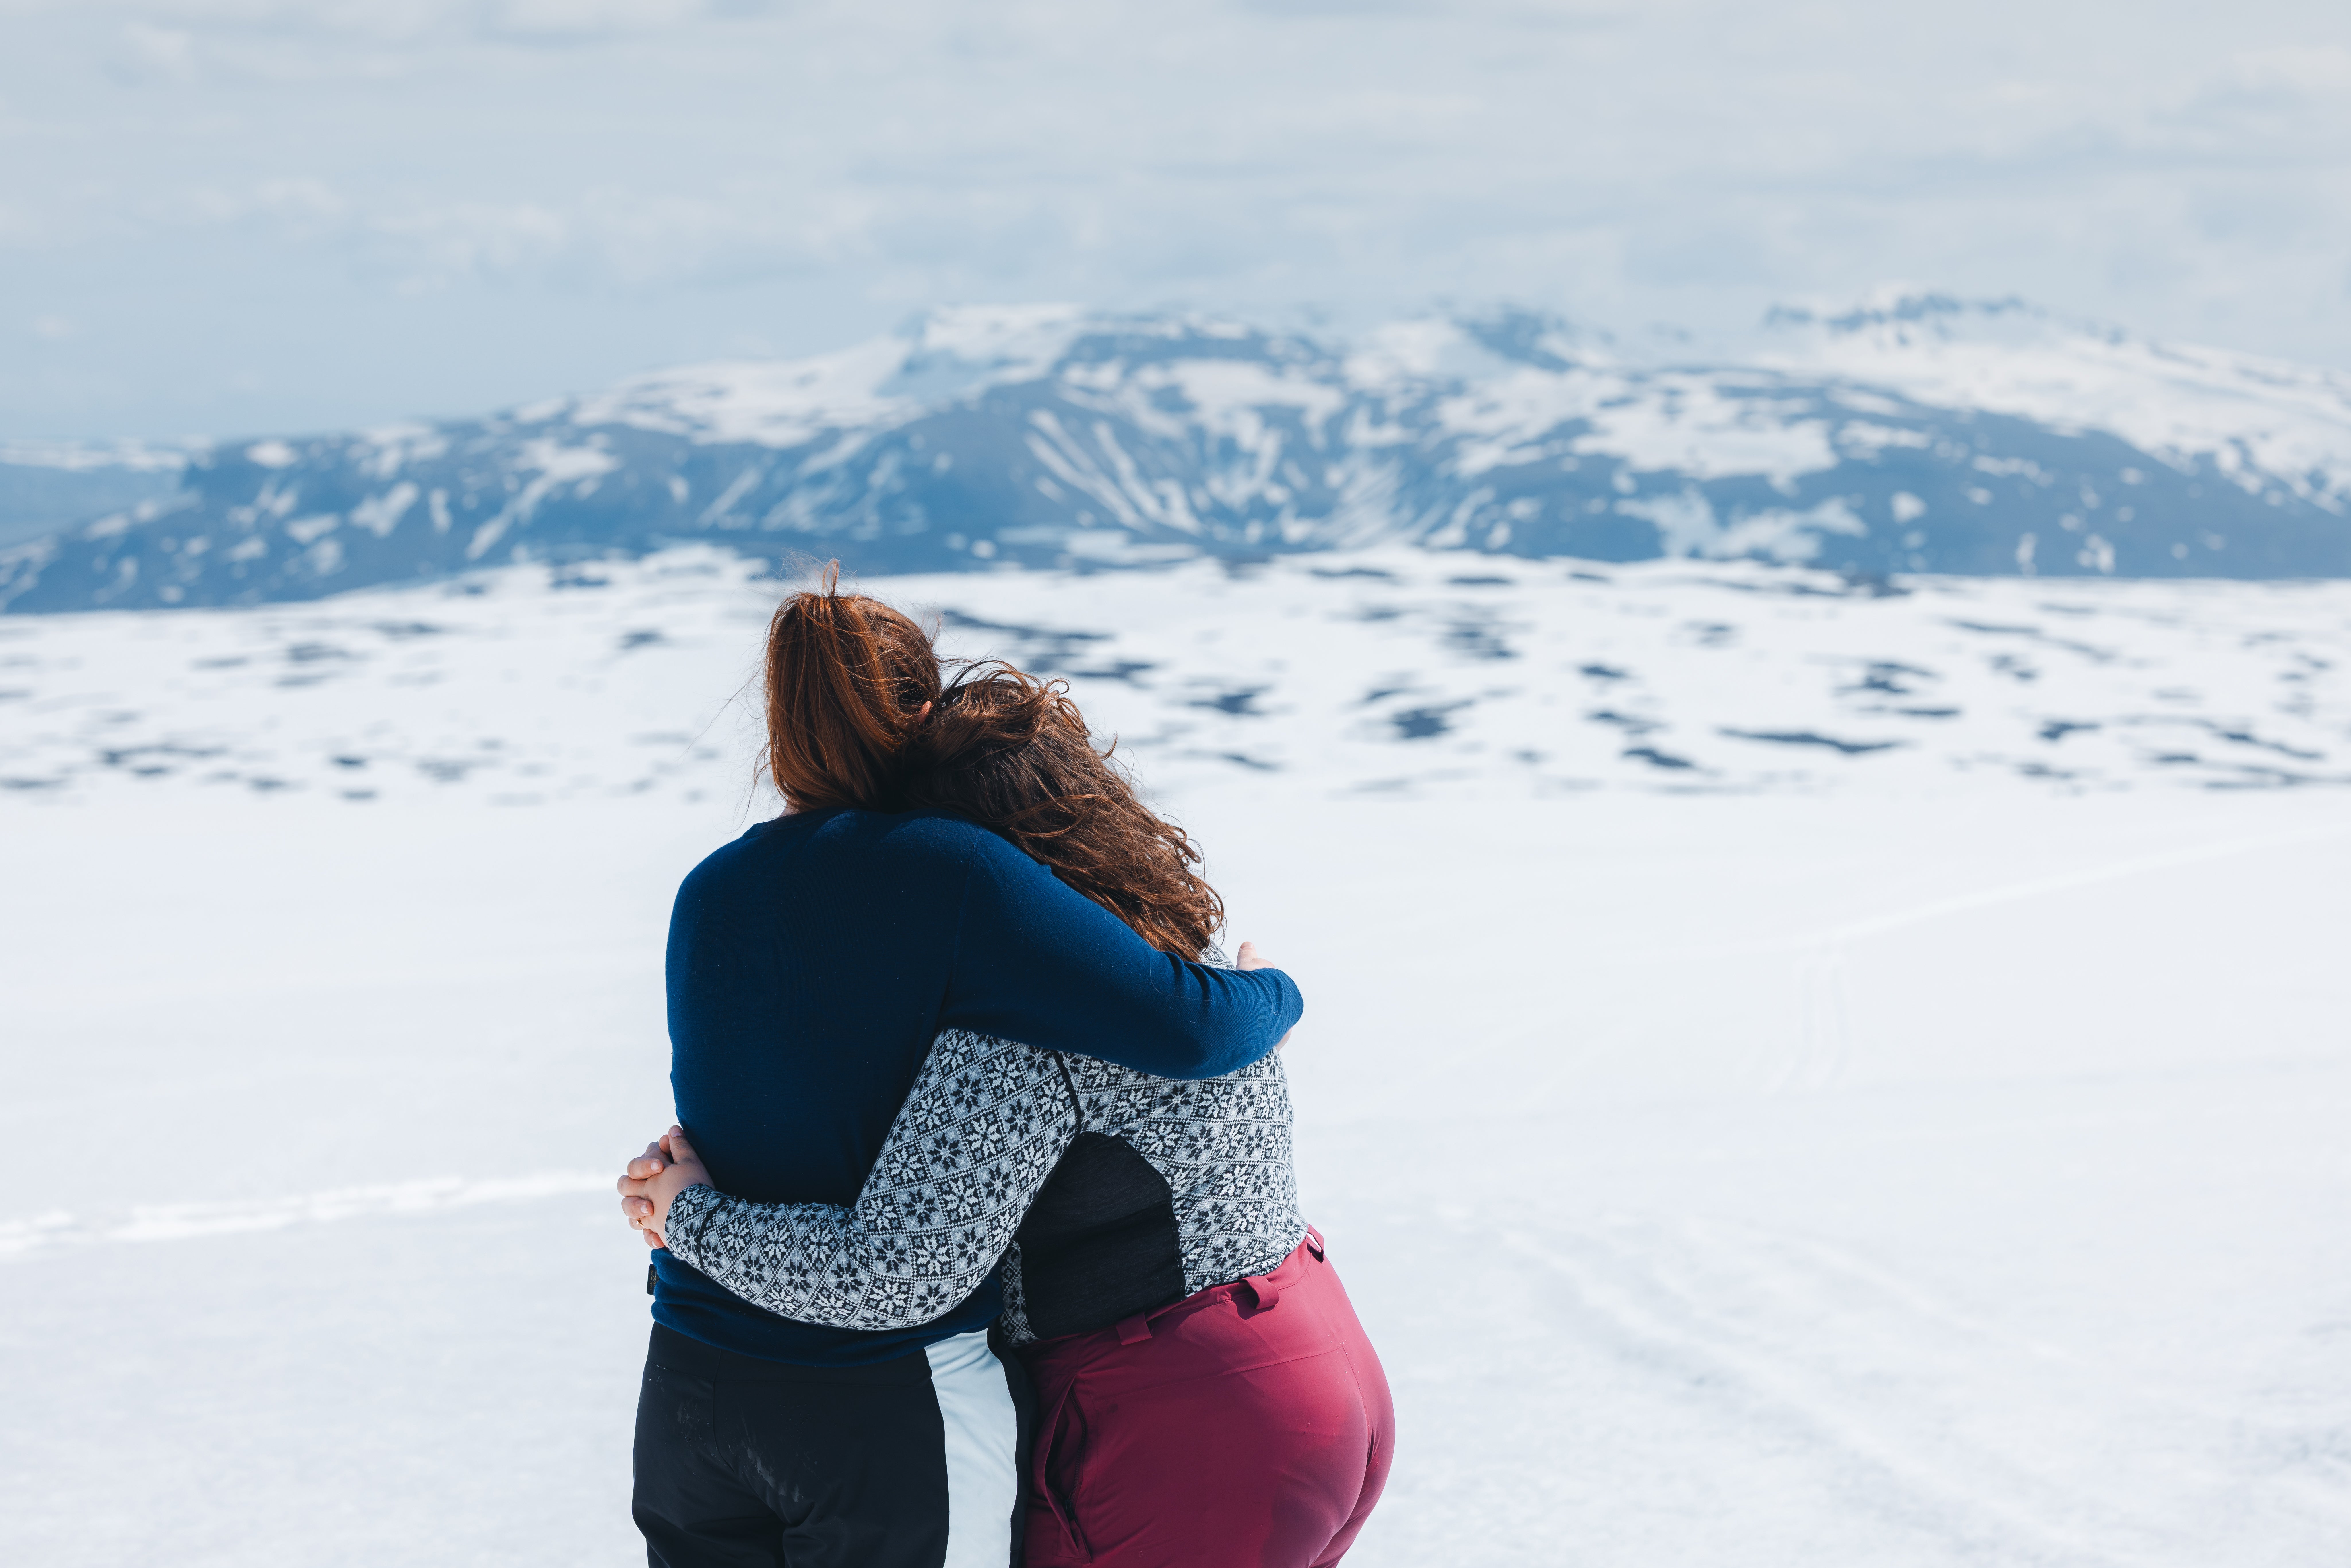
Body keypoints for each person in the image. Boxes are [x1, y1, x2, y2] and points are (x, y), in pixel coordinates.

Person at [621, 605, 1393, 1567]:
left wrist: (684, 1213)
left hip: (1168, 1415)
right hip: (1304, 1358)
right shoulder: (1155, 960)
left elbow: (890, 1266)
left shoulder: (734, 901)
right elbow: (1197, 1023)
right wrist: (1269, 986)